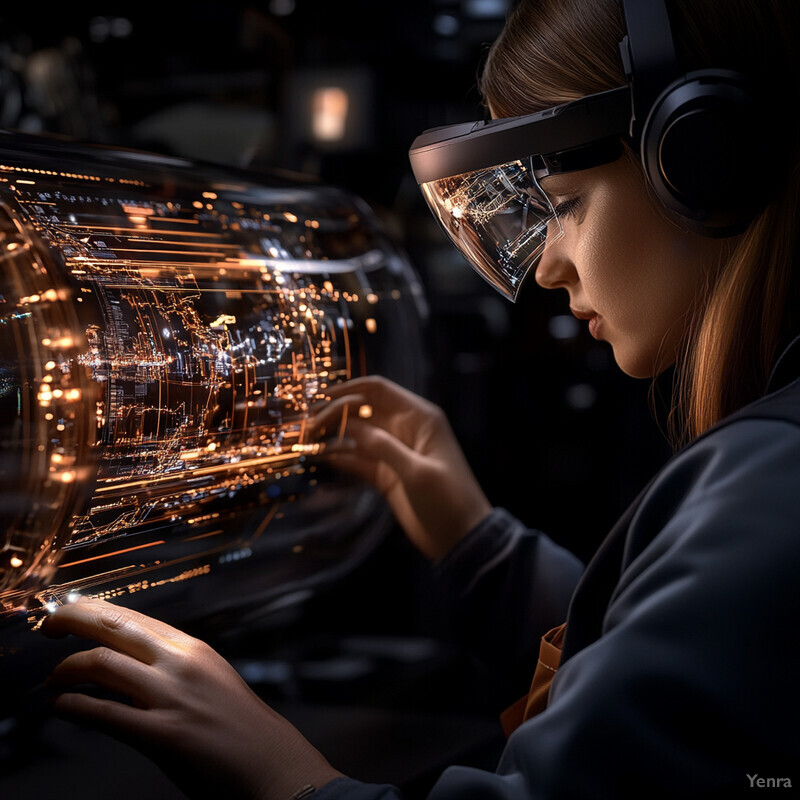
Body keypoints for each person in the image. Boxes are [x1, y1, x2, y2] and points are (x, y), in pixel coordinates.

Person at [41, 0, 800, 797]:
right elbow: (684, 694)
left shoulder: (771, 474)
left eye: (568, 203)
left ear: (703, 155)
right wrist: (479, 542)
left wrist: (282, 776)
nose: (548, 267)